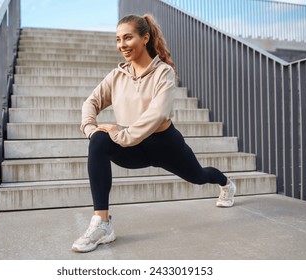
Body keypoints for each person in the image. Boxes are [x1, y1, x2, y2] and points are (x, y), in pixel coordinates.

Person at [71, 14, 236, 253]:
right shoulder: (117, 76)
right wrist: (90, 128)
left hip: (165, 144)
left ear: (145, 38)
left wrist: (121, 135)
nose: (122, 45)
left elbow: (157, 114)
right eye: (118, 39)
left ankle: (226, 184)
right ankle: (102, 224)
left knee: (199, 176)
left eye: (128, 38)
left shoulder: (163, 73)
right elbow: (91, 102)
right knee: (97, 141)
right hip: (132, 147)